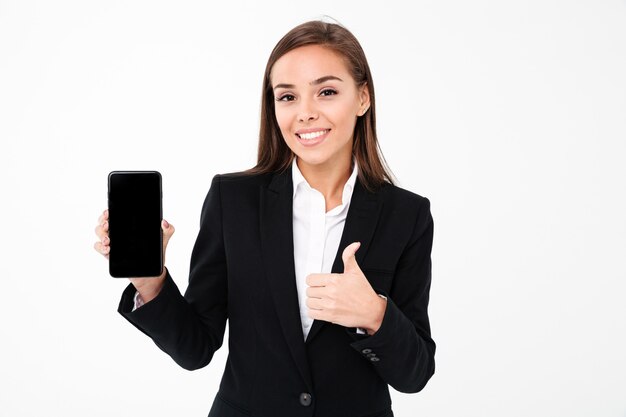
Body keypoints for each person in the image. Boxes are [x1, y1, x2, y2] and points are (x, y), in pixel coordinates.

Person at [94, 20, 435, 417]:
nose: (305, 113)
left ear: (362, 98)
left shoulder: (406, 214)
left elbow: (415, 375)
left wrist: (374, 314)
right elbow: (195, 349)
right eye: (287, 97)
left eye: (326, 92)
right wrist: (150, 281)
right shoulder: (232, 200)